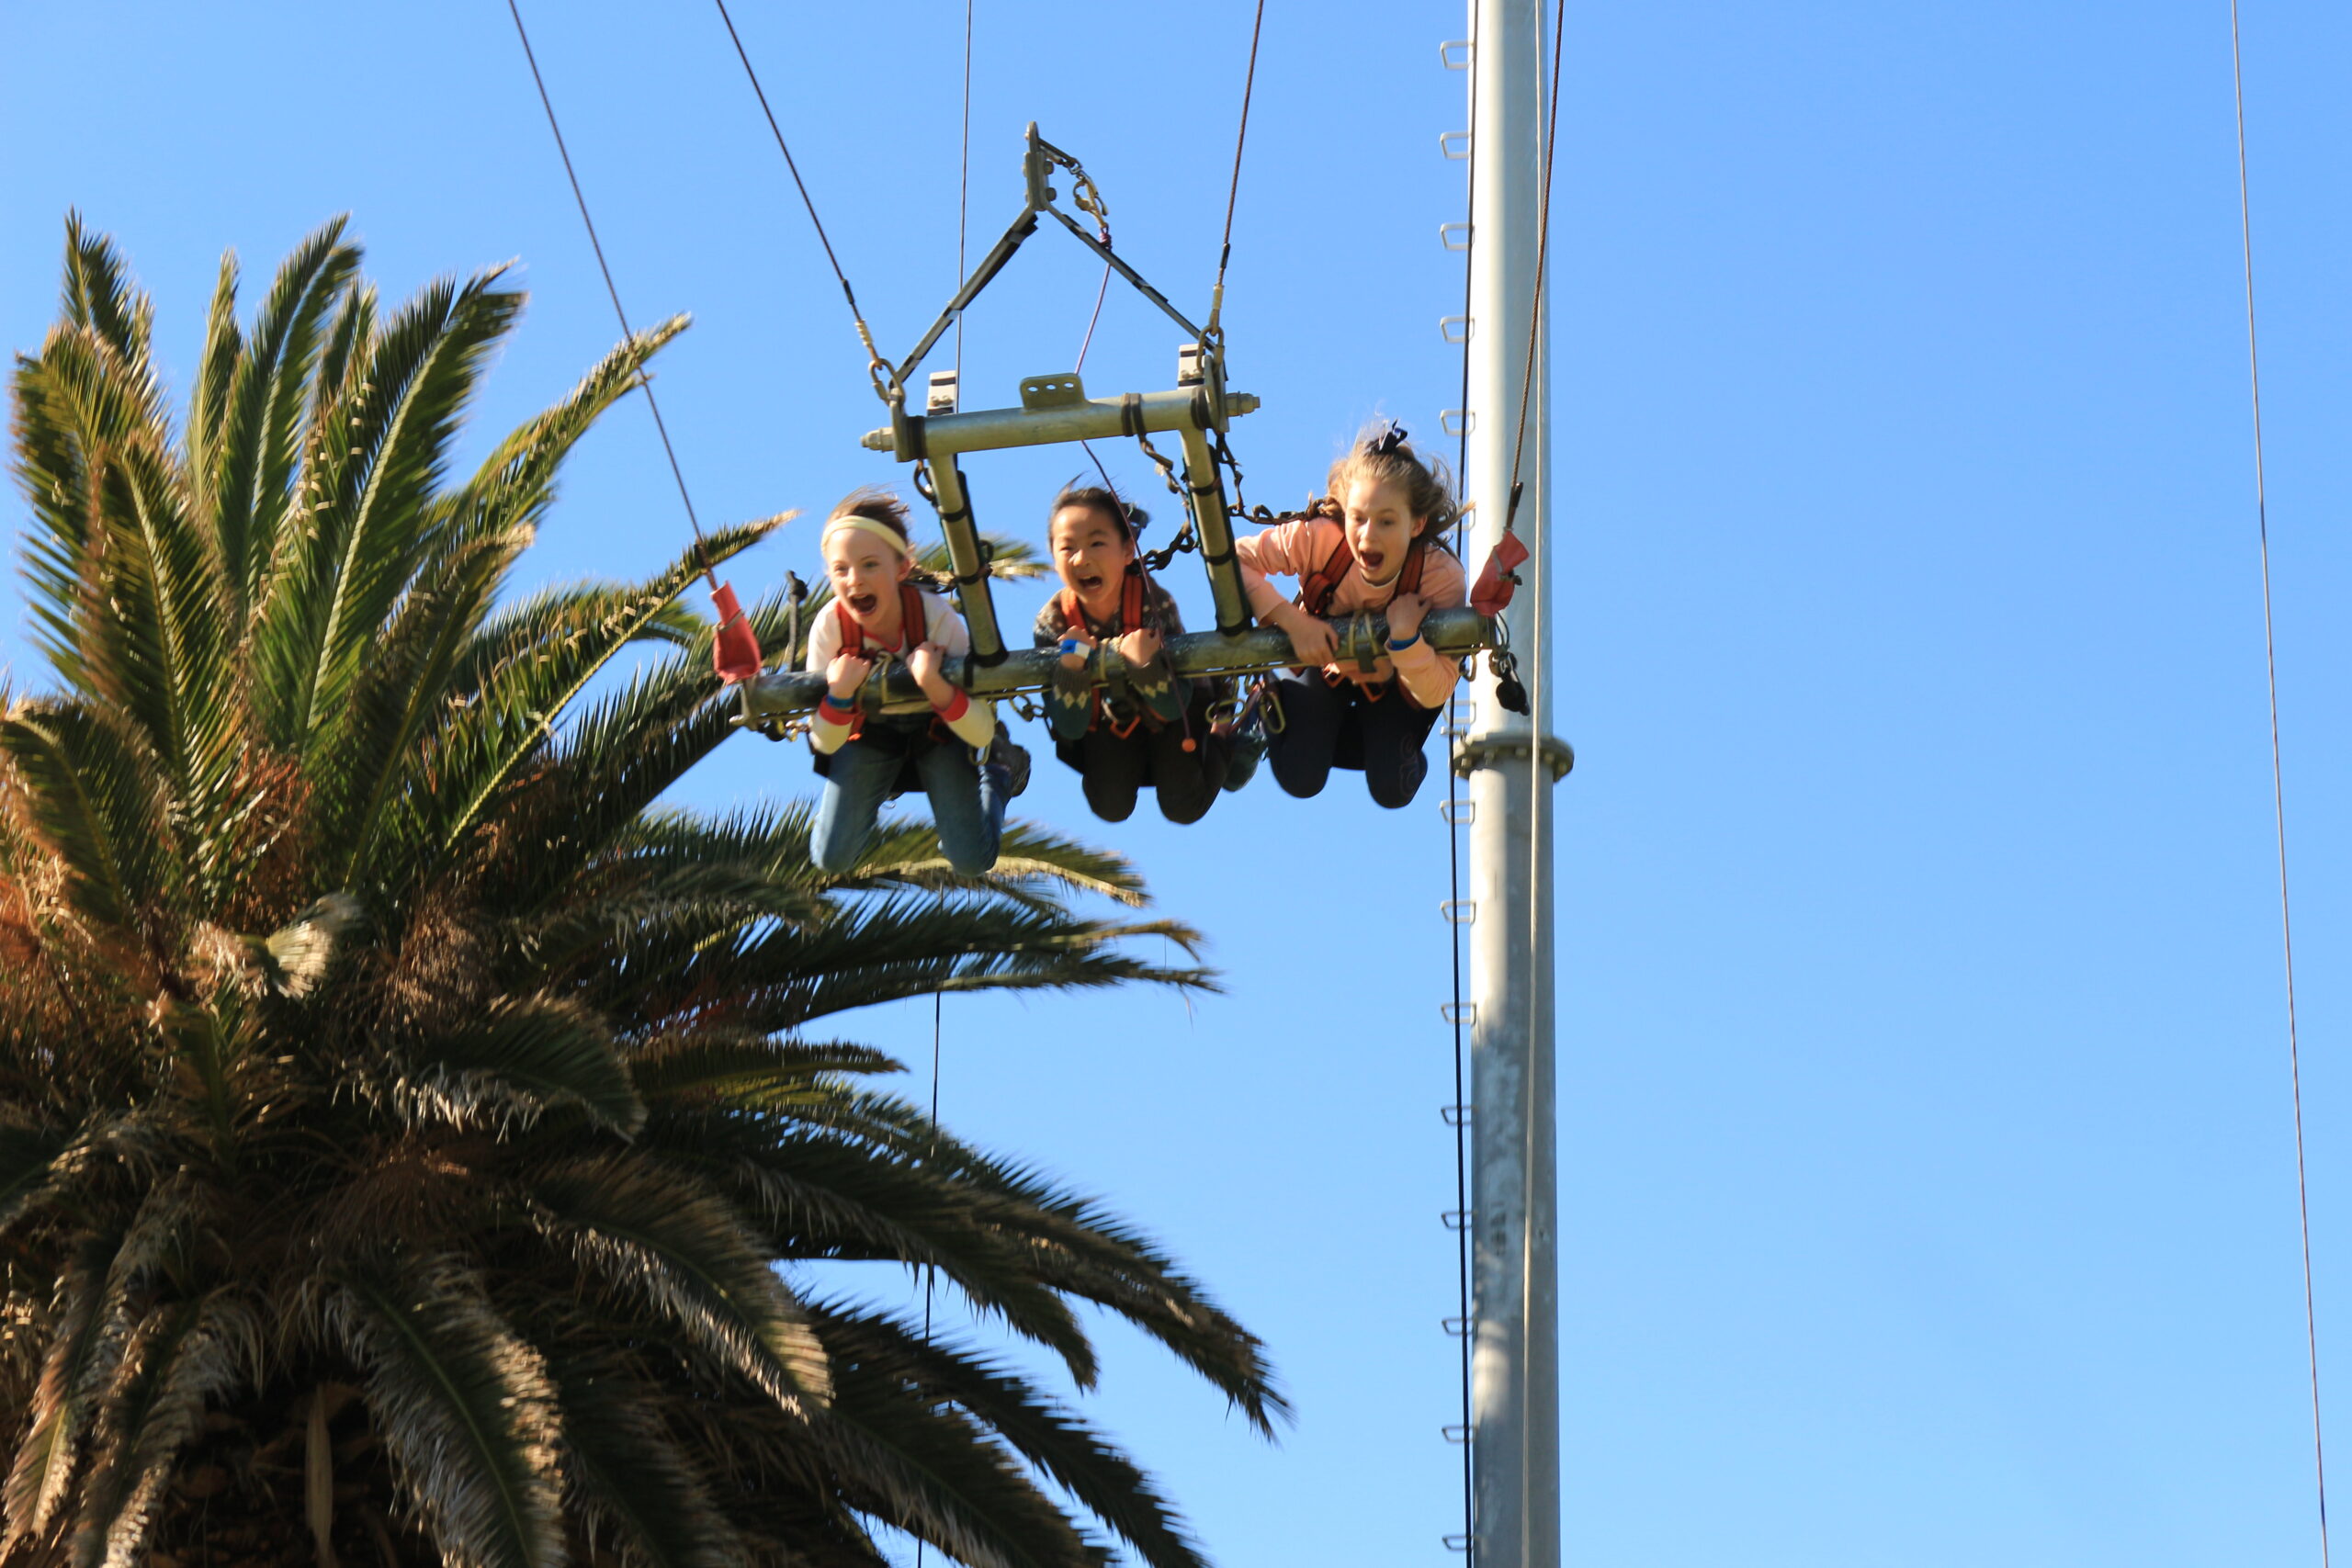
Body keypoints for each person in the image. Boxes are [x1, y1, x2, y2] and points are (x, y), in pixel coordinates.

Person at [1236, 423, 1466, 809]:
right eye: (1358, 518)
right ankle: (1278, 714)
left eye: (1387, 521)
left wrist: (1406, 641)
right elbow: (1235, 562)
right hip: (1323, 665)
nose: (1367, 536)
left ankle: (1363, 744)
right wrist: (1294, 623)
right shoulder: (1321, 539)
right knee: (1301, 776)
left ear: (1417, 524)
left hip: (1396, 681)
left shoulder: (1439, 577)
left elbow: (1439, 686)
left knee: (1393, 788)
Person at [805, 490, 1015, 873]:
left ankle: (1000, 775)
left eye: (870, 565)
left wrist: (933, 684)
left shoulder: (935, 618)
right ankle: (877, 783)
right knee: (830, 858)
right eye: (841, 569)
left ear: (902, 568)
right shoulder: (831, 626)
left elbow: (981, 732)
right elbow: (823, 741)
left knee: (970, 861)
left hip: (938, 730)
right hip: (870, 734)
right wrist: (838, 693)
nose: (855, 581)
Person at [1031, 485, 1227, 823]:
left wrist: (1145, 666)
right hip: (1109, 721)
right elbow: (1070, 726)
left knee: (1182, 807)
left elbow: (1175, 705)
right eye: (1067, 548)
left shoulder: (1153, 603)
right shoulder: (1053, 622)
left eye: (1096, 543)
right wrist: (1072, 669)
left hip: (1168, 716)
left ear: (1126, 551)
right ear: (1054, 556)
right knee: (1110, 807)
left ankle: (1232, 741)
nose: (1081, 559)